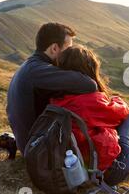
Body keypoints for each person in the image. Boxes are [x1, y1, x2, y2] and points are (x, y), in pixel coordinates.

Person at [50, 45, 129, 187]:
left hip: (77, 168)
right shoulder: (88, 99)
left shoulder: (57, 97)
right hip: (109, 172)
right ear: (88, 69)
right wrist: (115, 100)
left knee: (119, 124)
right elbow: (121, 112)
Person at [6, 23, 98, 155]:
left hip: (33, 145)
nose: (71, 53)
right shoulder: (38, 70)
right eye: (68, 49)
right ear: (54, 48)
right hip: (39, 151)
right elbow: (89, 84)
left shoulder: (31, 65)